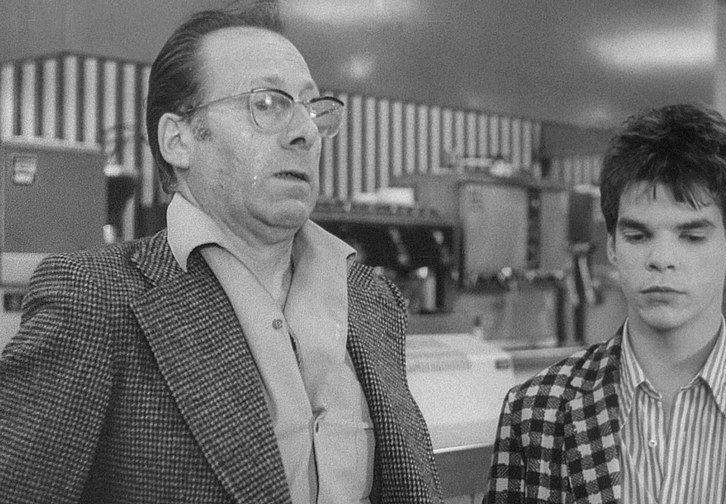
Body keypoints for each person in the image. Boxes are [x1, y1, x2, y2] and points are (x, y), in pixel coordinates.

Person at [0, 2, 443, 503]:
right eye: (267, 104)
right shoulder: (95, 299)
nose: (305, 131)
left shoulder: (371, 298)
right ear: (179, 140)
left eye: (312, 108)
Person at [484, 103, 726, 503]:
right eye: (637, 236)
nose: (661, 258)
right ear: (612, 248)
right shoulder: (536, 412)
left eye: (691, 236)